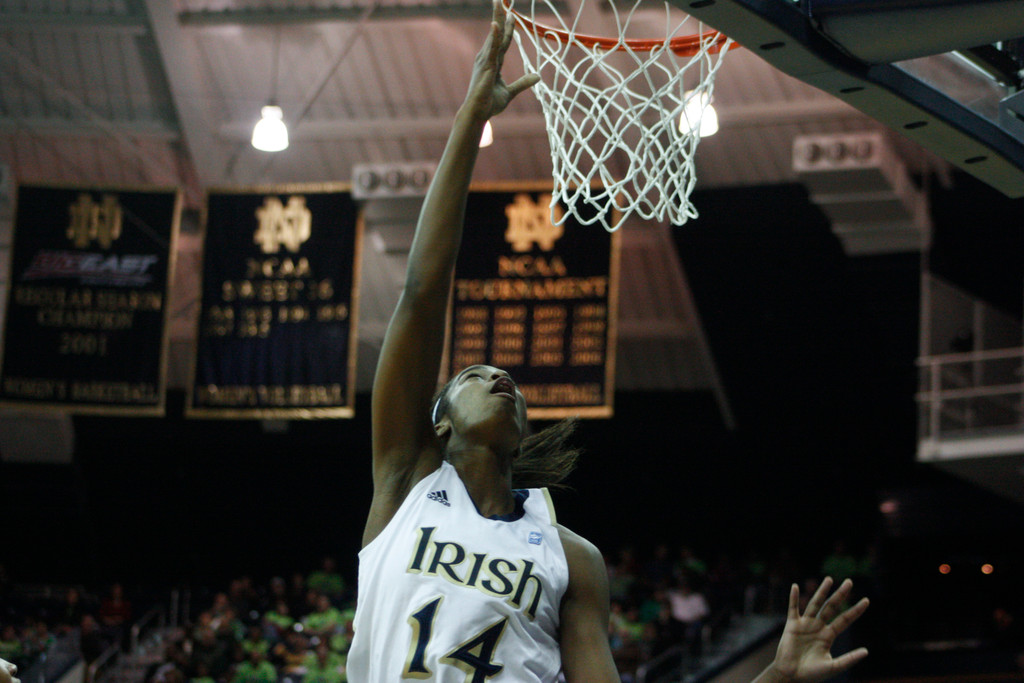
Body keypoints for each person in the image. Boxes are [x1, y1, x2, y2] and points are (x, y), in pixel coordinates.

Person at [345, 2, 871, 681]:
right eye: (475, 374)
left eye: (509, 383)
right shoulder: (405, 480)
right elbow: (420, 293)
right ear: (439, 418)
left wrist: (774, 676)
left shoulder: (573, 559)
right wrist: (470, 117)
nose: (501, 377)